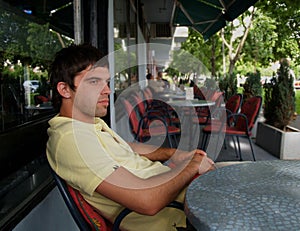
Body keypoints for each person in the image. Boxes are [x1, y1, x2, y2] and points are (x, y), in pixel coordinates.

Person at [46, 44, 215, 231]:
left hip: (177, 195)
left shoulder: (89, 124)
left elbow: (128, 147)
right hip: (175, 217)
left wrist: (176, 154)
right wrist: (191, 166)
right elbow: (147, 201)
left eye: (107, 82)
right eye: (94, 82)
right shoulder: (71, 140)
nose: (107, 91)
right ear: (65, 89)